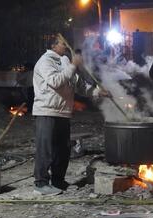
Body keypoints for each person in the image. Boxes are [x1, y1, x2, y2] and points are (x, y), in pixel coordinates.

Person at [32, 35, 109, 195]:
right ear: (53, 46)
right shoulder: (45, 61)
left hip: (63, 112)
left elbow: (79, 85)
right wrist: (73, 65)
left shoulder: (65, 61)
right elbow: (55, 81)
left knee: (62, 150)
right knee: (45, 149)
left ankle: (58, 181)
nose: (66, 47)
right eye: (62, 44)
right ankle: (41, 183)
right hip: (47, 110)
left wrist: (97, 91)